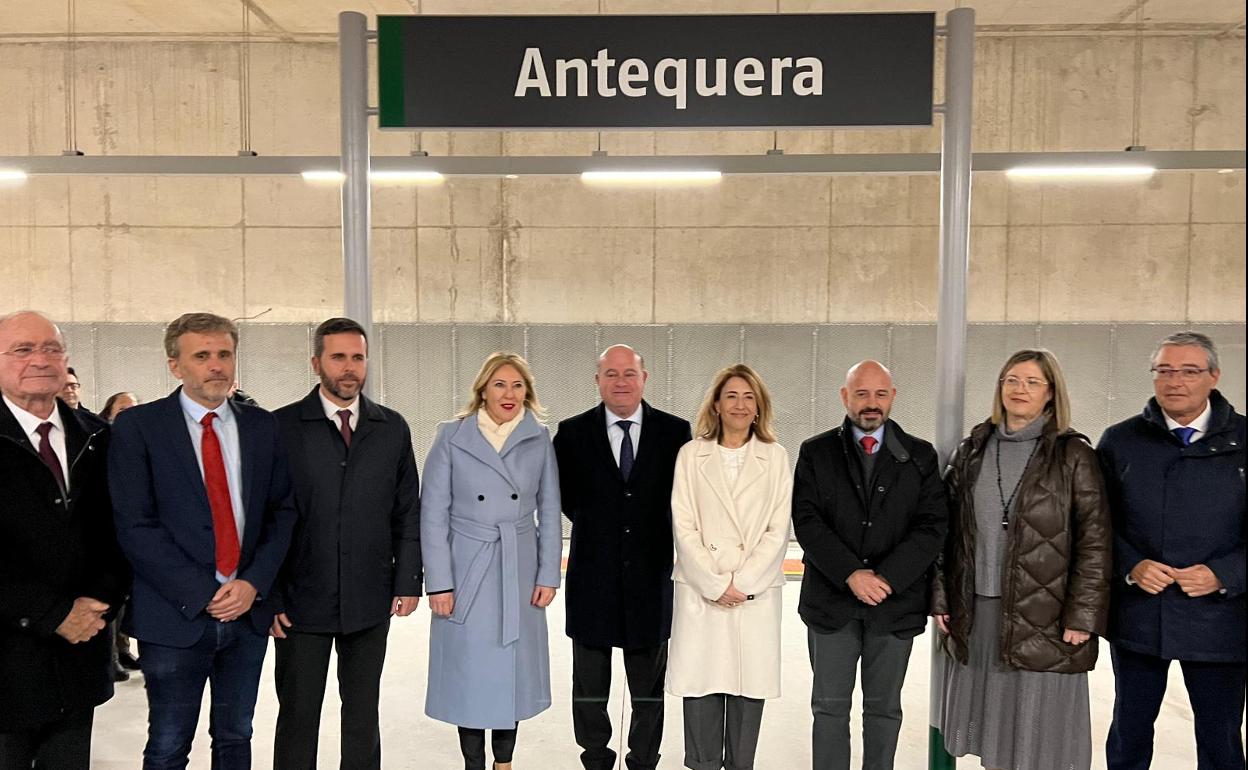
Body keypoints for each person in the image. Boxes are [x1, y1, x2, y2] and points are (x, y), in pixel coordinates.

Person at [108, 312, 297, 769]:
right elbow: (135, 525)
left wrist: (252, 584)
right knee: (169, 743)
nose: (217, 366)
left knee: (236, 737)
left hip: (246, 613)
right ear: (175, 366)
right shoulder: (139, 428)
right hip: (175, 616)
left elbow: (282, 512)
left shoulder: (261, 426)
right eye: (202, 356)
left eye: (225, 354)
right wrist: (204, 593)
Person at [932, 348, 1111, 770]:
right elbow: (945, 531)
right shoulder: (972, 450)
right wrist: (942, 597)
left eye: (1032, 382)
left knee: (1037, 734)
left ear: (1050, 393)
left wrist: (1083, 616)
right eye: (1012, 380)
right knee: (995, 732)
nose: (1020, 389)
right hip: (980, 611)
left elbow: (1096, 541)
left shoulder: (1073, 455)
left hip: (1046, 614)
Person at [270, 317, 423, 770]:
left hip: (369, 598)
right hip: (301, 602)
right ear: (317, 362)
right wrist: (271, 594)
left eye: (357, 357)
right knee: (298, 716)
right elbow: (265, 518)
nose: (350, 368)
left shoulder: (391, 428)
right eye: (339, 357)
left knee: (362, 716)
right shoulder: (281, 428)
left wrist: (408, 580)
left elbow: (407, 511)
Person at [1098, 331, 1245, 770]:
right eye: (1164, 370)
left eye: (1188, 371)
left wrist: (1226, 574)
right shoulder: (1120, 441)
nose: (1174, 381)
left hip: (1222, 617)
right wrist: (1131, 566)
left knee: (1220, 735)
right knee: (1130, 729)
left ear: (1214, 376)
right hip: (1142, 613)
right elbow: (1097, 526)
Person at [791, 360, 947, 770]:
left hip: (893, 606)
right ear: (845, 397)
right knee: (828, 708)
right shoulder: (815, 452)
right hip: (831, 604)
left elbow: (932, 527)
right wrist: (851, 573)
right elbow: (806, 520)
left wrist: (887, 578)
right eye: (861, 393)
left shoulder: (920, 456)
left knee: (884, 710)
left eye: (880, 393)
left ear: (893, 397)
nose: (871, 403)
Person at [0, 311, 131, 769]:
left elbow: (122, 531)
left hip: (79, 653)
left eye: (52, 348)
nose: (40, 359)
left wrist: (101, 600)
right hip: (8, 658)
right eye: (22, 349)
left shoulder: (97, 437)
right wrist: (53, 613)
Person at [553, 344, 691, 770]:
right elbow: (565, 497)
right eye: (611, 374)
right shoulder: (572, 433)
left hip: (651, 581)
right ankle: (595, 757)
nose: (620, 382)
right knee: (590, 686)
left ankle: (644, 759)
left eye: (629, 373)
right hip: (592, 580)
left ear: (644, 378)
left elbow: (682, 501)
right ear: (597, 381)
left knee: (647, 687)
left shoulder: (675, 433)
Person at [421, 352, 562, 770]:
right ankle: (473, 763)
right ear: (483, 389)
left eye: (518, 386)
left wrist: (548, 573)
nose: (509, 393)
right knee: (469, 672)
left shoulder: (539, 438)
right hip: (467, 567)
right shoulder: (452, 435)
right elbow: (432, 512)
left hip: (517, 567)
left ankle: (504, 763)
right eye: (500, 384)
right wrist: (440, 582)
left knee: (511, 671)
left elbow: (550, 510)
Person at [666, 364, 793, 770]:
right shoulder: (691, 455)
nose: (740, 405)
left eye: (749, 397)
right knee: (701, 691)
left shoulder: (776, 457)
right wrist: (715, 583)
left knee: (745, 694)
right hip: (702, 594)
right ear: (716, 405)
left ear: (759, 408)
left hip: (753, 598)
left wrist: (745, 583)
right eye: (732, 396)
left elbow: (779, 527)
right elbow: (682, 524)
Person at [100, 390, 144, 678]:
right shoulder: (100, 441)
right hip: (107, 534)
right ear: (110, 413)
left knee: (128, 598)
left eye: (133, 409)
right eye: (122, 408)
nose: (129, 413)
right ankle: (110, 656)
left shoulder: (142, 443)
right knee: (109, 599)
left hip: (134, 535)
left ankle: (123, 648)